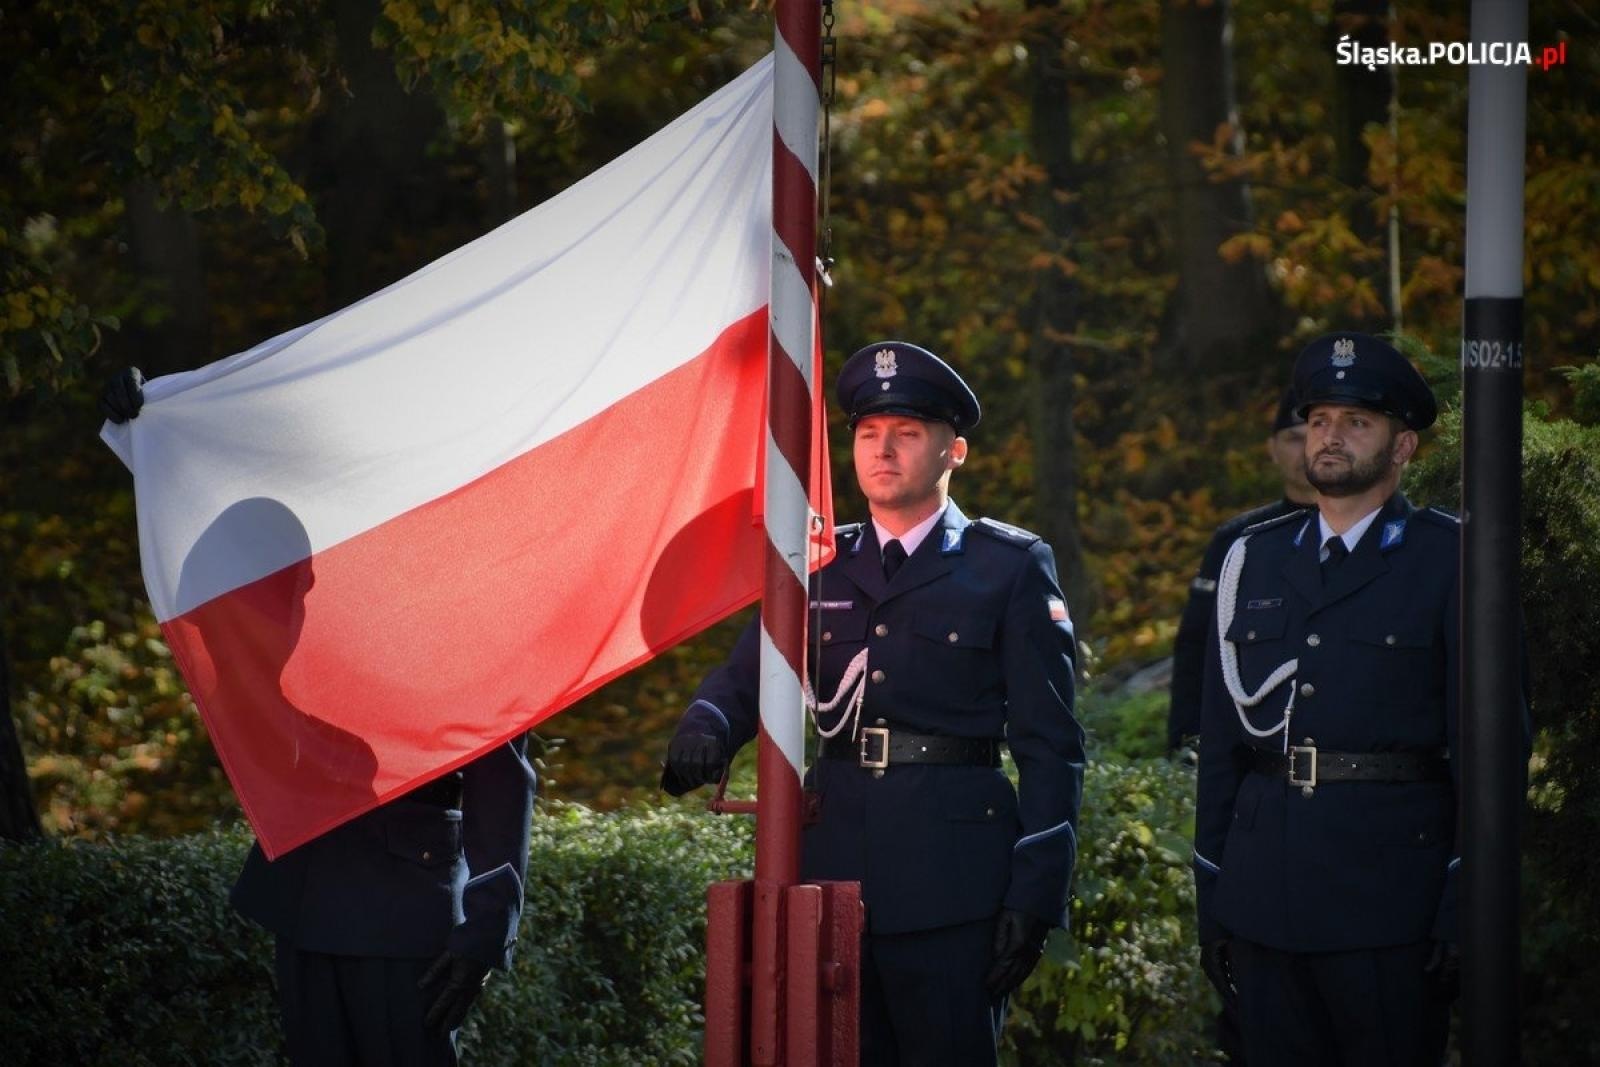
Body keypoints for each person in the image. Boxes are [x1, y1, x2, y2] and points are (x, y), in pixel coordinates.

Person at [660, 341, 1086, 1067]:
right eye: (866, 433)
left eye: (907, 433)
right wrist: (706, 723)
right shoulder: (813, 559)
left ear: (955, 451)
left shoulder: (1006, 567)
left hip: (953, 885)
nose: (882, 450)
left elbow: (1051, 746)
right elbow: (748, 672)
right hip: (829, 876)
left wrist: (1036, 894)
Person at [102, 367, 536, 1067]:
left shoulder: (451, 590)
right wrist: (152, 431)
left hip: (402, 910)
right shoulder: (289, 538)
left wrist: (489, 920)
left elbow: (501, 768)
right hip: (306, 897)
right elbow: (213, 590)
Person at [1192, 332, 1480, 1066]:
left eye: (1358, 422)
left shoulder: (1449, 559)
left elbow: (1491, 748)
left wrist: (1463, 904)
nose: (1330, 435)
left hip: (1388, 902)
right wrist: (1214, 897)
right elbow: (1223, 747)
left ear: (1403, 445)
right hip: (1263, 899)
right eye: (1320, 419)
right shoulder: (1250, 558)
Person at [1168, 387, 1316, 754]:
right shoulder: (1240, 540)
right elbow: (1196, 645)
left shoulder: (1365, 534)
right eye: (1294, 439)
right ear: (1272, 450)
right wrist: (1186, 739)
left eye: (1314, 436)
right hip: (1256, 740)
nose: (1306, 450)